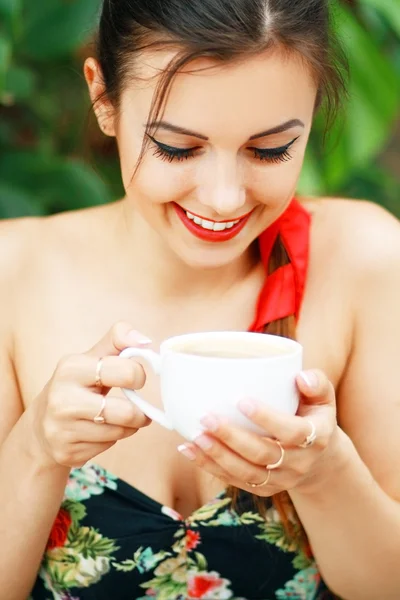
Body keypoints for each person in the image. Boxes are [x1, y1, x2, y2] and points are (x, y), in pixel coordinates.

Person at [1, 0, 399, 598]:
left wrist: (326, 474)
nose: (221, 197)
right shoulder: (13, 274)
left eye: (268, 151)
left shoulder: (365, 260)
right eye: (176, 147)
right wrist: (36, 451)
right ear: (103, 99)